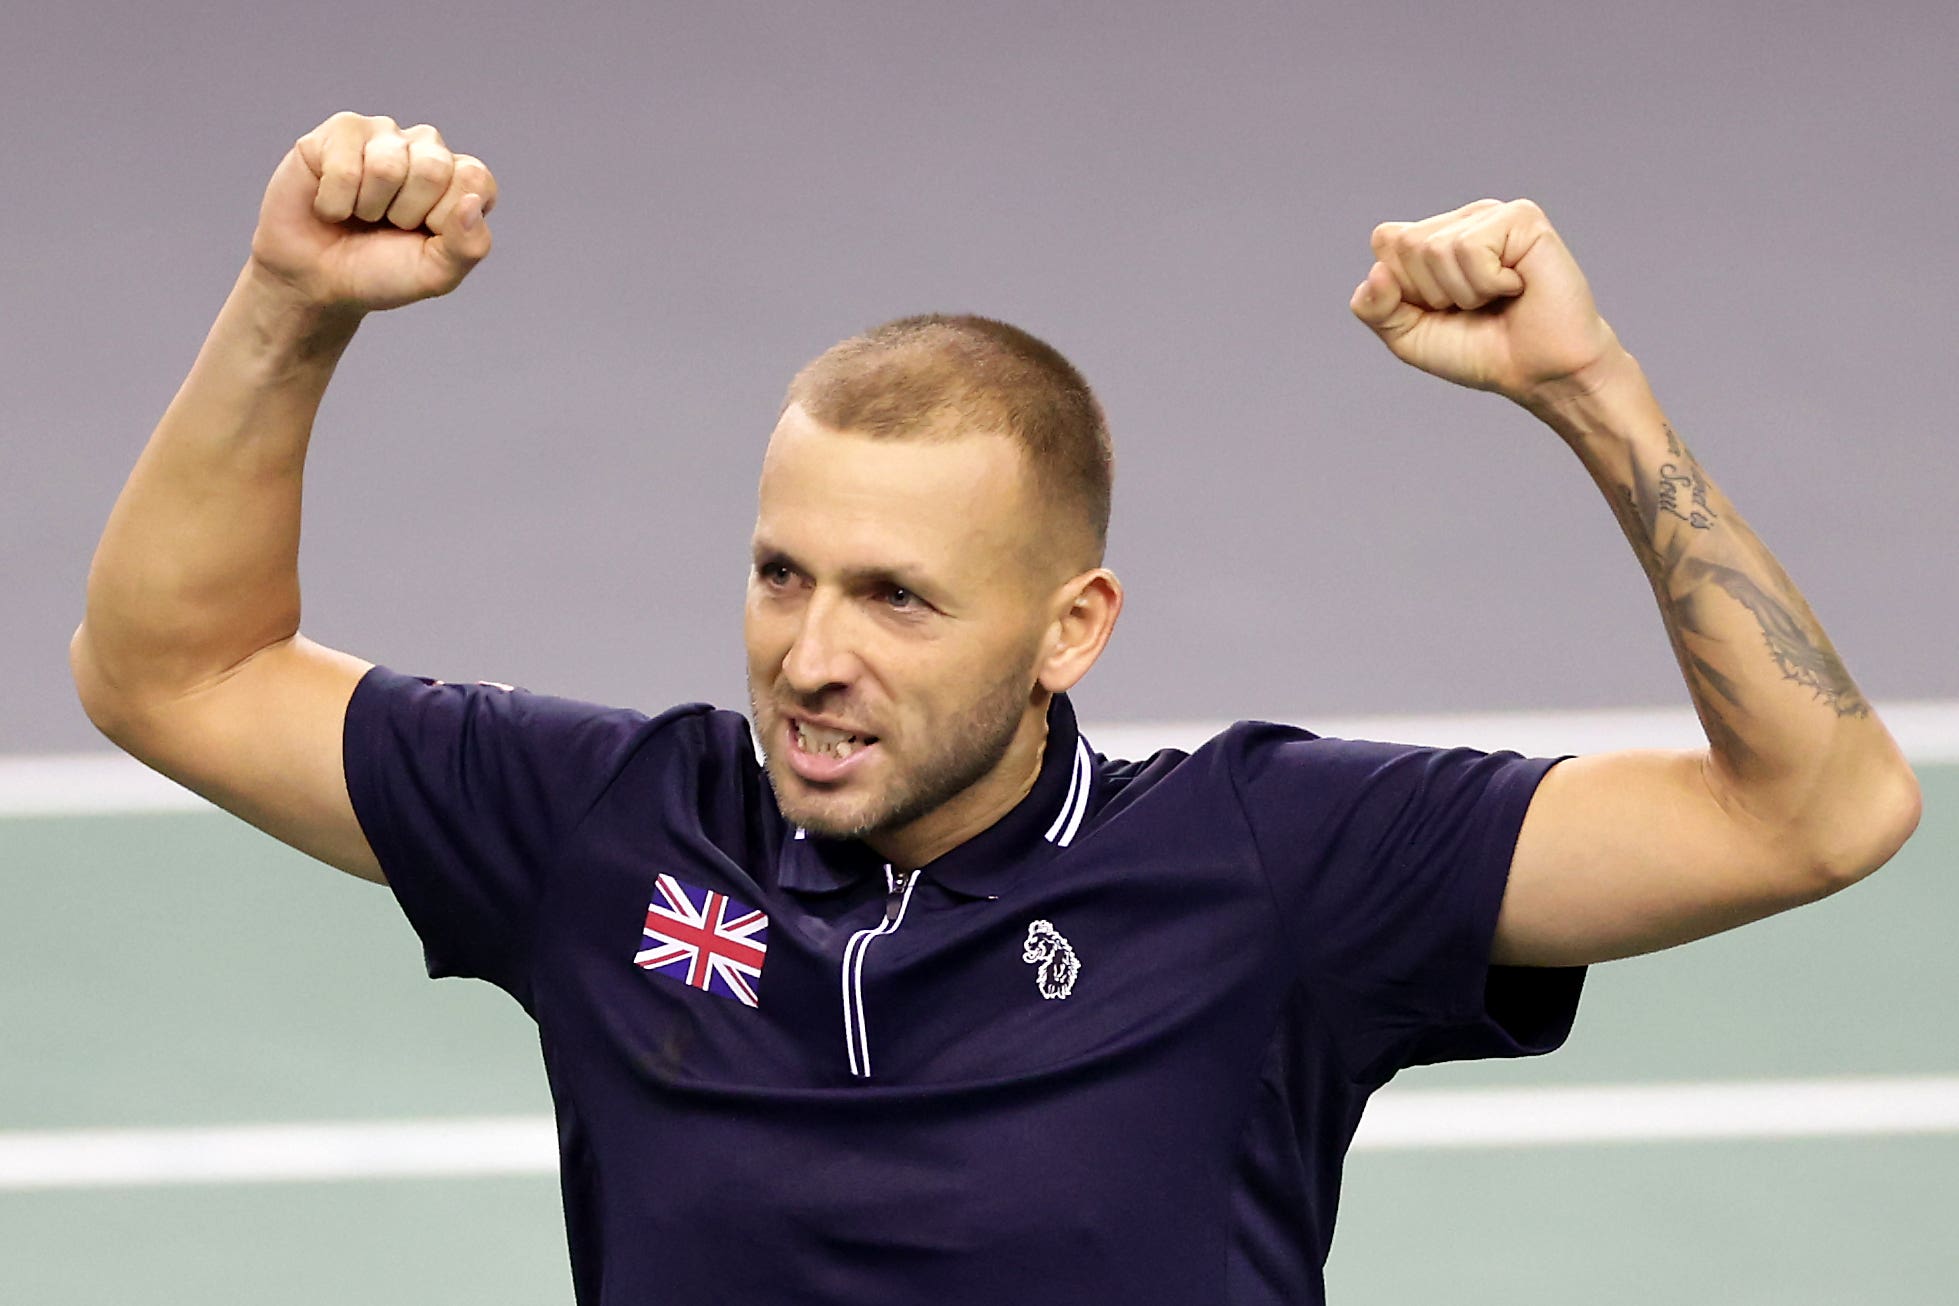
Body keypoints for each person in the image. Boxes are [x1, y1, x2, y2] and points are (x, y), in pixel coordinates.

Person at [72, 112, 1920, 1305]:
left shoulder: (1266, 865)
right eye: (783, 571)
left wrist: (1590, 391)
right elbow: (176, 674)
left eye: (896, 597)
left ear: (1073, 629)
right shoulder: (611, 830)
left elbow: (1816, 812)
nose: (809, 654)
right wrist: (288, 305)